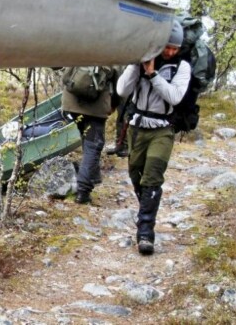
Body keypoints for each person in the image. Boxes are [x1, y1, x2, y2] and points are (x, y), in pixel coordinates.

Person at [115, 20, 190, 255]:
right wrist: (137, 66)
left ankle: (145, 233)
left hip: (162, 129)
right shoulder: (140, 62)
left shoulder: (183, 67)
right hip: (137, 127)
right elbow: (121, 90)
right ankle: (147, 208)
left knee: (152, 177)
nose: (170, 52)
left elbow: (175, 96)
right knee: (135, 174)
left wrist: (153, 74)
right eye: (167, 47)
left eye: (174, 49)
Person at [59, 65, 120, 205]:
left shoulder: (82, 45)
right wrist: (114, 105)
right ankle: (83, 191)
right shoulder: (113, 51)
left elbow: (62, 72)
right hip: (96, 108)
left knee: (87, 141)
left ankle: (93, 177)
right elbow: (119, 86)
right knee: (93, 145)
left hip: (70, 104)